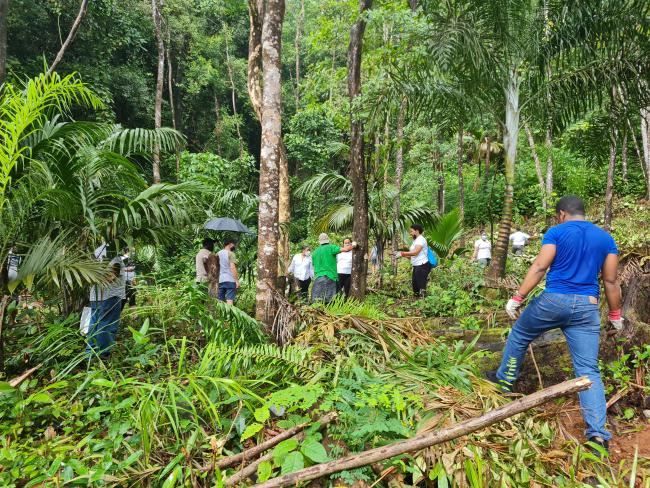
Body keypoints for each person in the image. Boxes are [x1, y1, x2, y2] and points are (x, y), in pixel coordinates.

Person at [489, 195, 623, 453]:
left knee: (519, 334)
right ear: (583, 213)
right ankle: (597, 437)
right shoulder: (605, 238)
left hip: (554, 301)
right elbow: (610, 281)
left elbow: (540, 266)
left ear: (562, 214)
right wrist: (615, 314)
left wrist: (517, 298)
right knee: (588, 371)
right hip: (587, 306)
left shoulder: (557, 232)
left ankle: (504, 384)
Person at [87, 246, 126, 359]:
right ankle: (103, 355)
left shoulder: (97, 251)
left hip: (95, 297)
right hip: (110, 297)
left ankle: (90, 354)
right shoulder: (111, 252)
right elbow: (111, 276)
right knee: (106, 326)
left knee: (94, 324)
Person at [311, 233, 354, 302]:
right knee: (333, 300)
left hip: (318, 278)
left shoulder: (315, 252)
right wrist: (354, 245)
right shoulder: (331, 247)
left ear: (319, 241)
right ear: (328, 240)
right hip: (331, 277)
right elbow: (346, 249)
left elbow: (313, 265)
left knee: (319, 300)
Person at [395, 224, 431, 297]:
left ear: (417, 231)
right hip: (417, 266)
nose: (410, 233)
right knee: (415, 287)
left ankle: (423, 303)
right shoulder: (416, 240)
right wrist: (400, 255)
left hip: (422, 265)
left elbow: (415, 252)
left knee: (421, 286)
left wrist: (402, 253)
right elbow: (413, 256)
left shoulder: (421, 239)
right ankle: (418, 303)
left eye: (411, 231)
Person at [217, 238, 240, 305]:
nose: (234, 246)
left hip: (220, 280)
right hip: (230, 279)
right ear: (230, 244)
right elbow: (232, 267)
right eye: (234, 244)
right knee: (229, 300)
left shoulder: (217, 254)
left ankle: (220, 315)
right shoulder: (231, 253)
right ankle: (229, 315)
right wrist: (236, 281)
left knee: (220, 301)